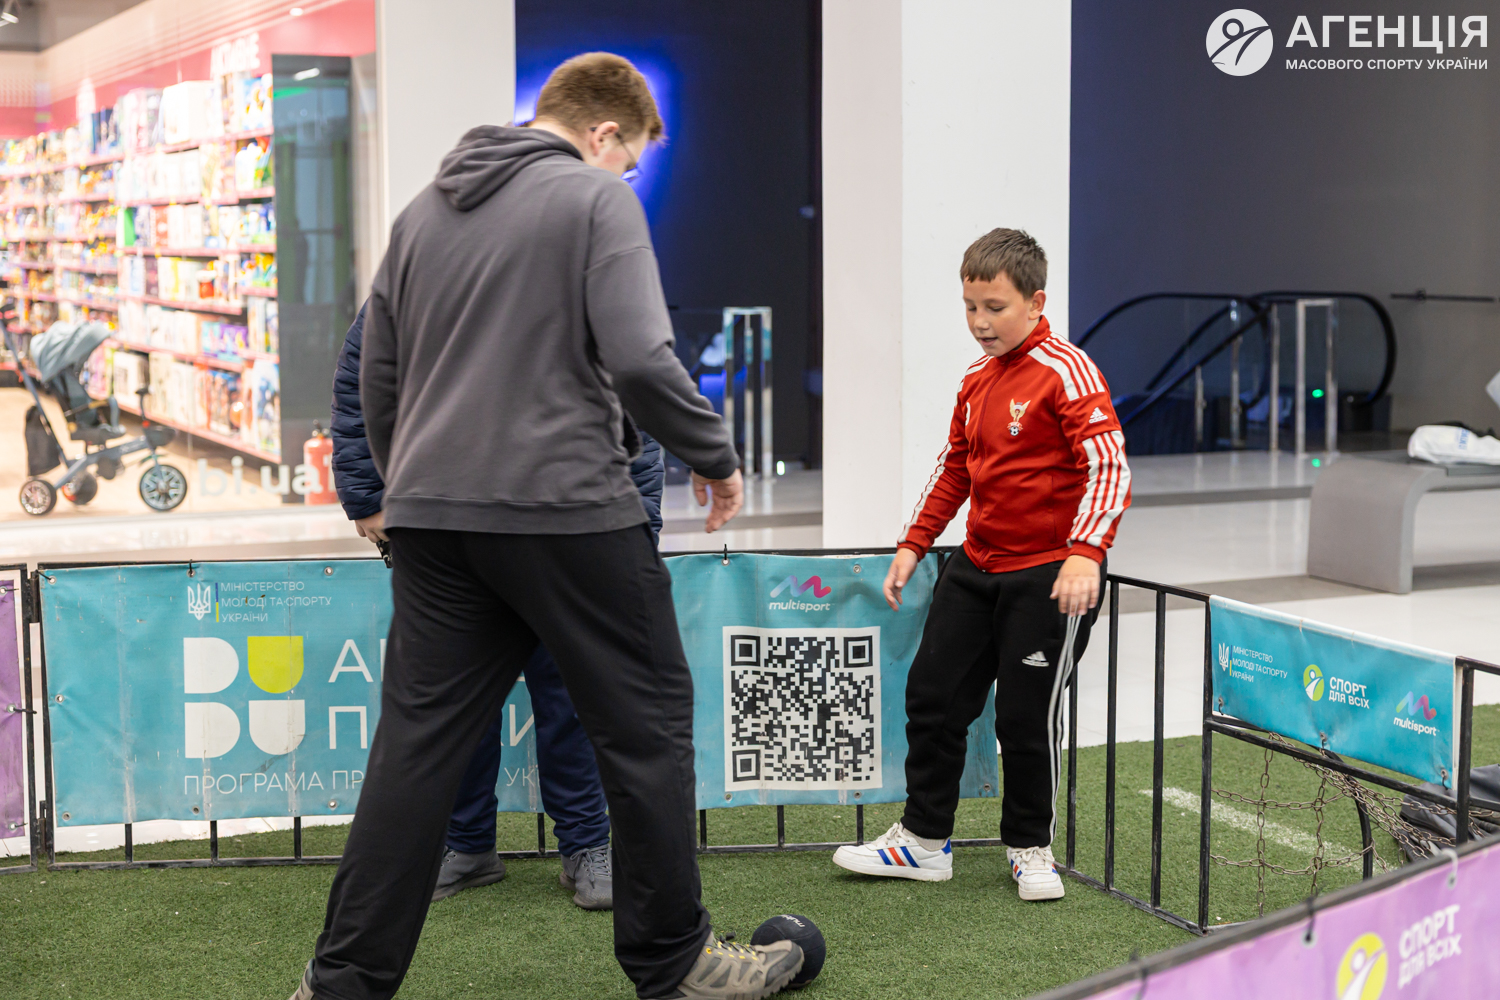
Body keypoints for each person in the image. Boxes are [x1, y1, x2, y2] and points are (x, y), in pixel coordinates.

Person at [292, 53, 804, 1000]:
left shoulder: (421, 215)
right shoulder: (595, 201)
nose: (628, 177)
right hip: (569, 511)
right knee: (647, 729)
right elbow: (642, 359)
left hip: (436, 526)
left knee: (413, 756)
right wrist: (715, 455)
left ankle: (341, 985)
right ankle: (676, 962)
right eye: (632, 159)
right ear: (605, 132)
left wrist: (416, 482)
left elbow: (376, 375)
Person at [329, 302, 667, 910]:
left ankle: (586, 847)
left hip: (565, 525)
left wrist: (639, 529)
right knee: (456, 701)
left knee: (572, 696)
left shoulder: (582, 273)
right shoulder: (419, 269)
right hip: (446, 525)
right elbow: (361, 379)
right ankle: (466, 846)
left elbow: (638, 395)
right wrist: (365, 495)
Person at [831, 228, 1131, 901]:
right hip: (975, 567)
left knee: (1023, 719)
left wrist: (1086, 552)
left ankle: (1030, 849)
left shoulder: (1067, 371)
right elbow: (955, 468)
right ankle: (922, 842)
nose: (979, 322)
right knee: (932, 700)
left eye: (995, 307)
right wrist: (913, 543)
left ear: (1035, 302)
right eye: (970, 307)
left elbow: (1108, 465)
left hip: (1050, 575)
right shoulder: (976, 379)